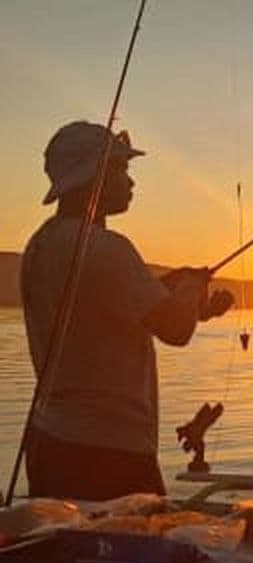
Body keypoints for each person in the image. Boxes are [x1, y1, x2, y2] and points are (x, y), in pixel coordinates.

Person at [21, 121, 234, 501]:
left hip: (49, 444)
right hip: (109, 453)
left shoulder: (41, 245)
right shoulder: (108, 248)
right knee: (132, 554)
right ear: (93, 177)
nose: (130, 182)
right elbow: (176, 330)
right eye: (120, 169)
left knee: (65, 557)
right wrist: (188, 291)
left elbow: (101, 308)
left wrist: (180, 294)